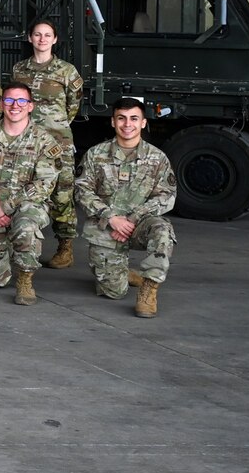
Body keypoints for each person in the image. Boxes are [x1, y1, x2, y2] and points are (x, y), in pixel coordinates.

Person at [0, 82, 70, 305]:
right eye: (9, 100)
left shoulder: (44, 140)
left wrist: (6, 206)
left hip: (26, 208)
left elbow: (44, 183)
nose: (15, 106)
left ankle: (25, 279)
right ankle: (7, 248)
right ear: (1, 105)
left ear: (31, 106)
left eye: (21, 101)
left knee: (26, 227)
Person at [75, 97, 178, 318]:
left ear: (143, 123)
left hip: (140, 225)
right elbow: (81, 190)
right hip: (107, 226)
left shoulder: (157, 157)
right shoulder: (96, 154)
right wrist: (111, 218)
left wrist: (132, 219)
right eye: (121, 118)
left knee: (162, 230)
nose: (127, 124)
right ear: (113, 122)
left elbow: (167, 195)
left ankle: (148, 290)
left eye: (134, 118)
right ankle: (123, 273)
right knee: (113, 292)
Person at [12, 20, 84, 270]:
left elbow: (73, 106)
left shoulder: (66, 71)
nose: (42, 39)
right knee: (22, 188)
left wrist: (56, 126)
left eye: (47, 35)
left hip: (58, 143)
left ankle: (65, 246)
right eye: (37, 35)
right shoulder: (19, 70)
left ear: (55, 40)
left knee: (62, 193)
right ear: (30, 38)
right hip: (26, 142)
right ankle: (20, 240)